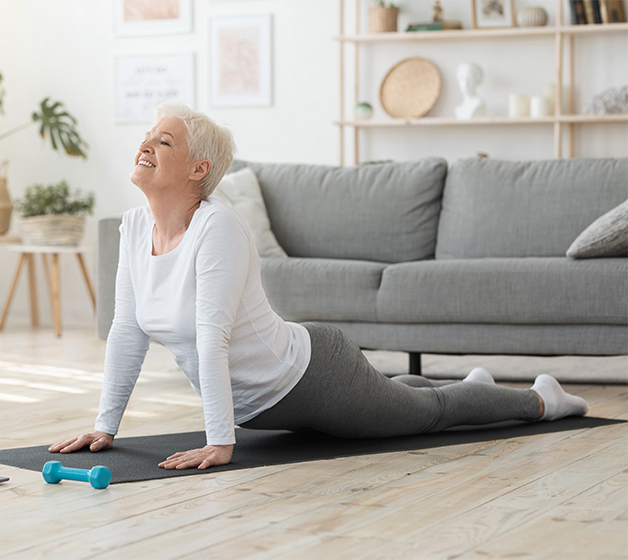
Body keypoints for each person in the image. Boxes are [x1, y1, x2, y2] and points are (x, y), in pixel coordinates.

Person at [48, 102, 589, 470]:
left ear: (198, 169)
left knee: (428, 419)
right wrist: (105, 426)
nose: (146, 144)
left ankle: (542, 398)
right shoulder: (133, 225)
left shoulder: (219, 228)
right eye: (147, 136)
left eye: (163, 140)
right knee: (401, 402)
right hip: (270, 403)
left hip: (311, 377)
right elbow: (126, 330)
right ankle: (472, 387)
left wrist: (219, 441)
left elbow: (212, 339)